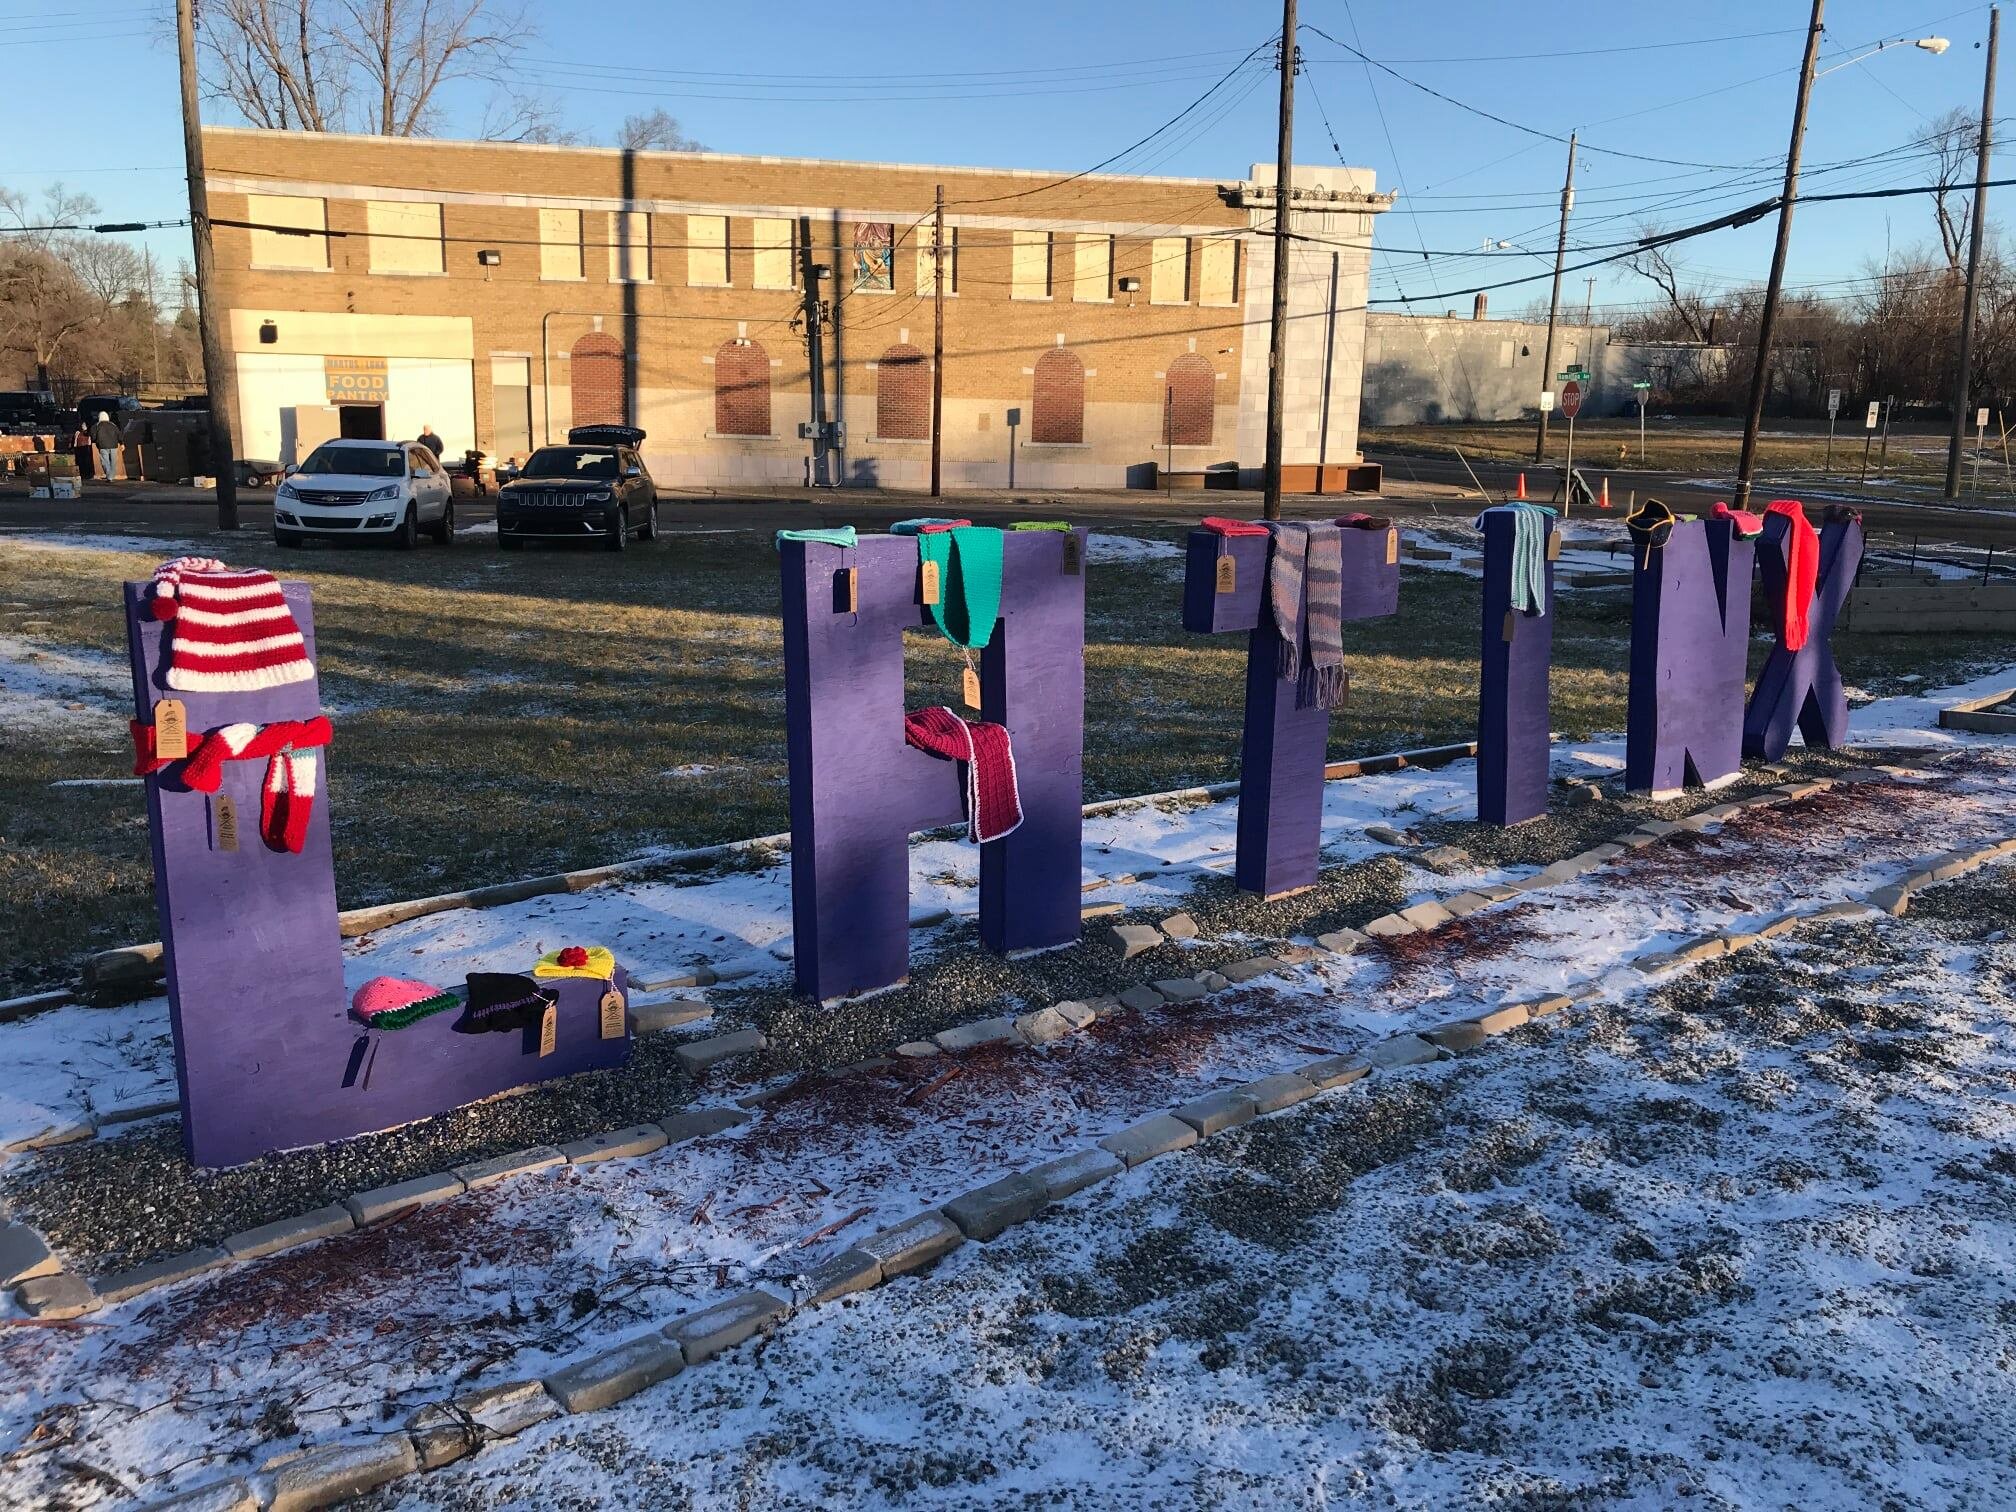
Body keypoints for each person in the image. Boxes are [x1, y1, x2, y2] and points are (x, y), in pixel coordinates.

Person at [91, 411, 122, 482]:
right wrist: (121, 443)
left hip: (102, 445)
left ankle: (109, 476)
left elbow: (93, 435)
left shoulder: (97, 425)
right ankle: (112, 476)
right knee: (113, 462)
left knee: (105, 462)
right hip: (114, 445)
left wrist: (96, 441)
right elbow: (119, 434)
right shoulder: (113, 425)